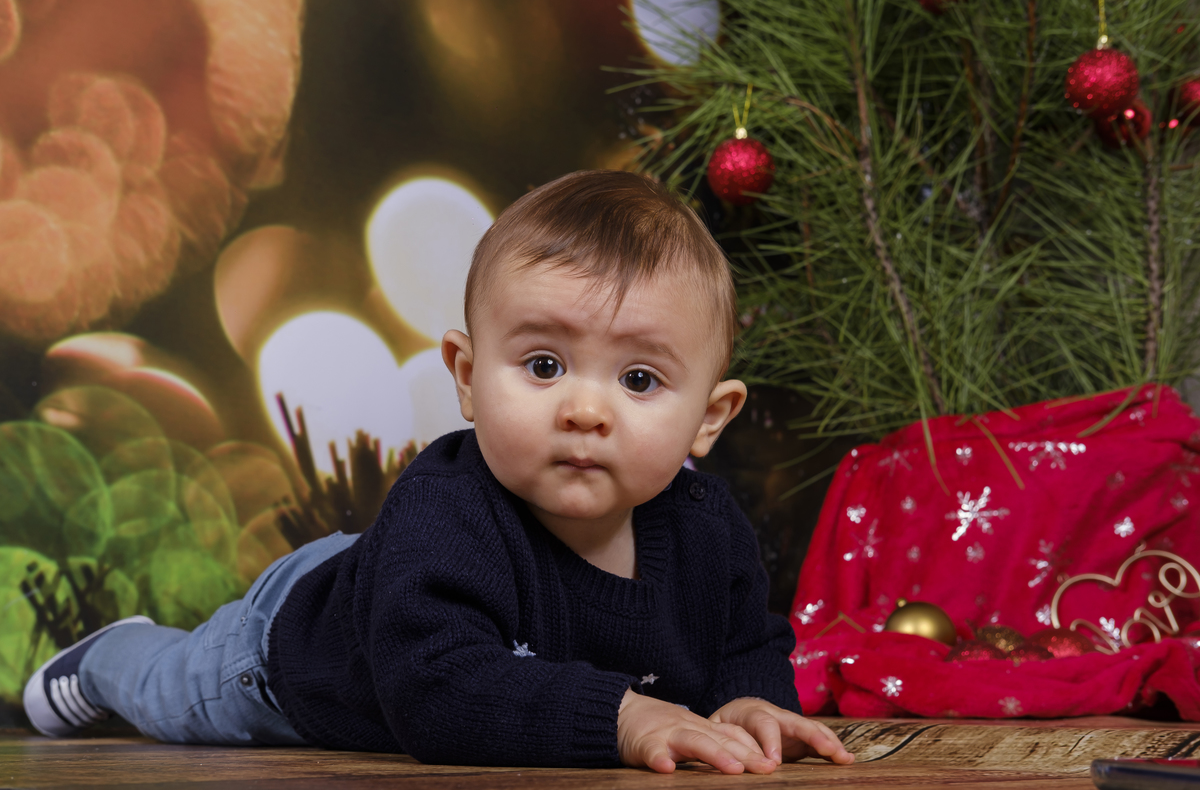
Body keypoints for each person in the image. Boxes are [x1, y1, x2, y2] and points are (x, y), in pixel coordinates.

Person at [24, 170, 854, 775]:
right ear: (465, 374)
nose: (585, 410)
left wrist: (750, 698)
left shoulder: (706, 526)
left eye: (639, 380)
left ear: (709, 417)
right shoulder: (452, 509)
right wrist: (622, 718)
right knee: (176, 695)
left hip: (390, 570)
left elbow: (747, 636)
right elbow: (437, 690)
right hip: (292, 654)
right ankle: (114, 654)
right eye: (542, 364)